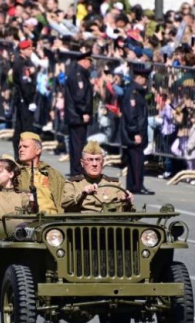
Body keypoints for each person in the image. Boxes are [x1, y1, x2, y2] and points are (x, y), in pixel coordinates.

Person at [62, 141, 134, 213]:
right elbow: (66, 204)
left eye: (97, 159)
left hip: (109, 222)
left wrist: (127, 202)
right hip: (83, 222)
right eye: (90, 160)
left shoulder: (115, 185)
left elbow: (129, 213)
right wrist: (82, 194)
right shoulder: (73, 184)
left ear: (102, 162)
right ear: (82, 163)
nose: (94, 164)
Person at [121, 64, 154, 195]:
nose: (145, 81)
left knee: (134, 160)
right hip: (134, 132)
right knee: (137, 160)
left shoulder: (137, 91)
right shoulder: (133, 93)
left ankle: (132, 185)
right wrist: (135, 132)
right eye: (144, 78)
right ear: (139, 78)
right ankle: (137, 185)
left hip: (137, 131)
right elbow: (131, 114)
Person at [16, 132, 62, 214]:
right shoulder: (14, 172)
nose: (21, 150)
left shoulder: (53, 174)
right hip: (25, 221)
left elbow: (63, 202)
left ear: (37, 151)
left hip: (51, 222)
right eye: (20, 147)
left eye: (25, 147)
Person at [65, 51, 93, 176]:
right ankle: (77, 171)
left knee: (77, 144)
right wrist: (85, 112)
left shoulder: (77, 72)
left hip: (75, 115)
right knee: (78, 145)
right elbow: (79, 96)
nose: (90, 65)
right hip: (77, 116)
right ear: (84, 61)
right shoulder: (78, 75)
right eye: (89, 61)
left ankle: (76, 170)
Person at [12, 40, 37, 155]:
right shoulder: (21, 63)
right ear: (22, 50)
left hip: (24, 98)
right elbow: (24, 83)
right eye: (28, 49)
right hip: (24, 99)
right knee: (25, 127)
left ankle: (20, 154)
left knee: (20, 127)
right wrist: (30, 100)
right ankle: (22, 154)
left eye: (31, 49)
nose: (30, 51)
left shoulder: (26, 62)